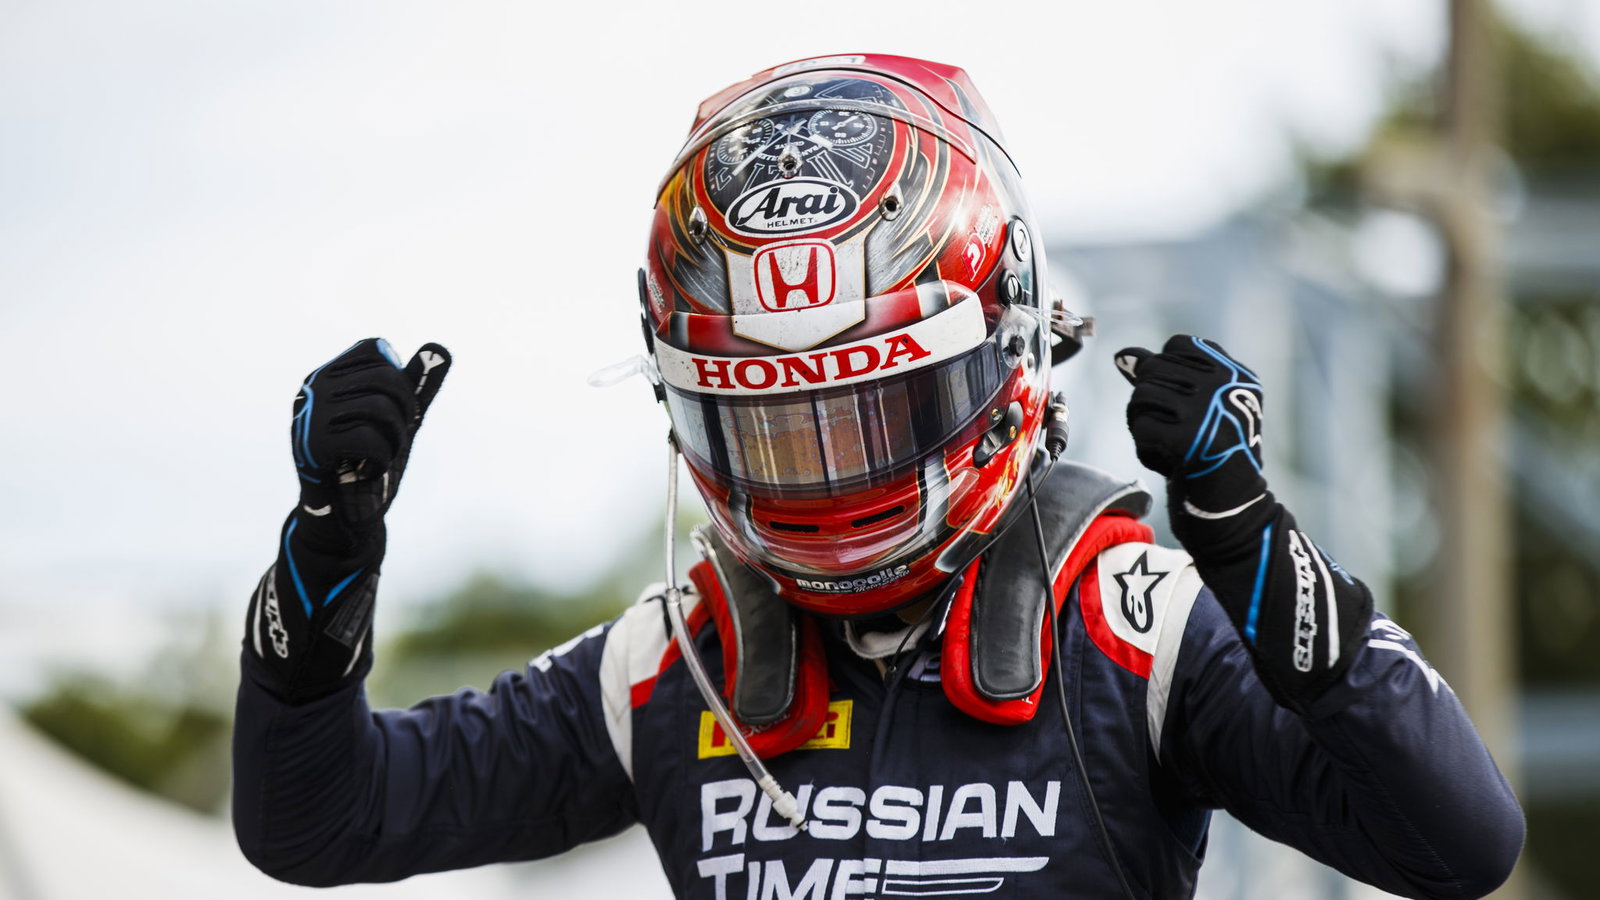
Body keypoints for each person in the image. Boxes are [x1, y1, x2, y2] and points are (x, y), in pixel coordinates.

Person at [233, 54, 1523, 899]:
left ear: (1006, 348)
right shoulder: (672, 664)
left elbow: (1461, 841)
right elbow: (317, 823)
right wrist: (325, 556)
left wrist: (1249, 539)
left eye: (871, 412)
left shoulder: (1135, 633)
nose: (827, 480)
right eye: (777, 428)